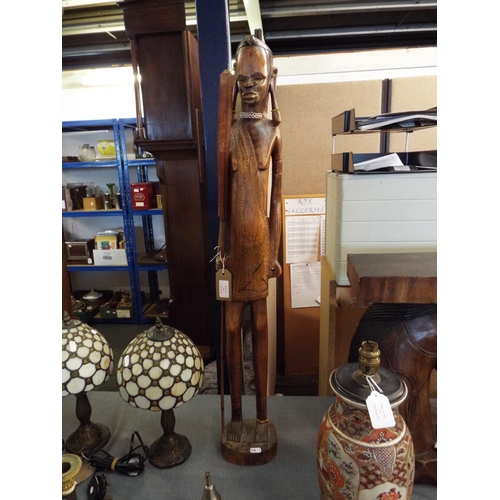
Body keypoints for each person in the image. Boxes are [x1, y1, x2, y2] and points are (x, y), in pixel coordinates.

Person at [217, 33, 282, 446]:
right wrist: (220, 249)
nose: (250, 86)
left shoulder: (274, 132)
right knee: (231, 327)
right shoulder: (228, 132)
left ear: (272, 77)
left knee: (259, 325)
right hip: (234, 252)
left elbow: (277, 200)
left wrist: (274, 253)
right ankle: (238, 415)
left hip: (260, 249)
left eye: (257, 78)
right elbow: (222, 204)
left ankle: (261, 416)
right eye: (242, 79)